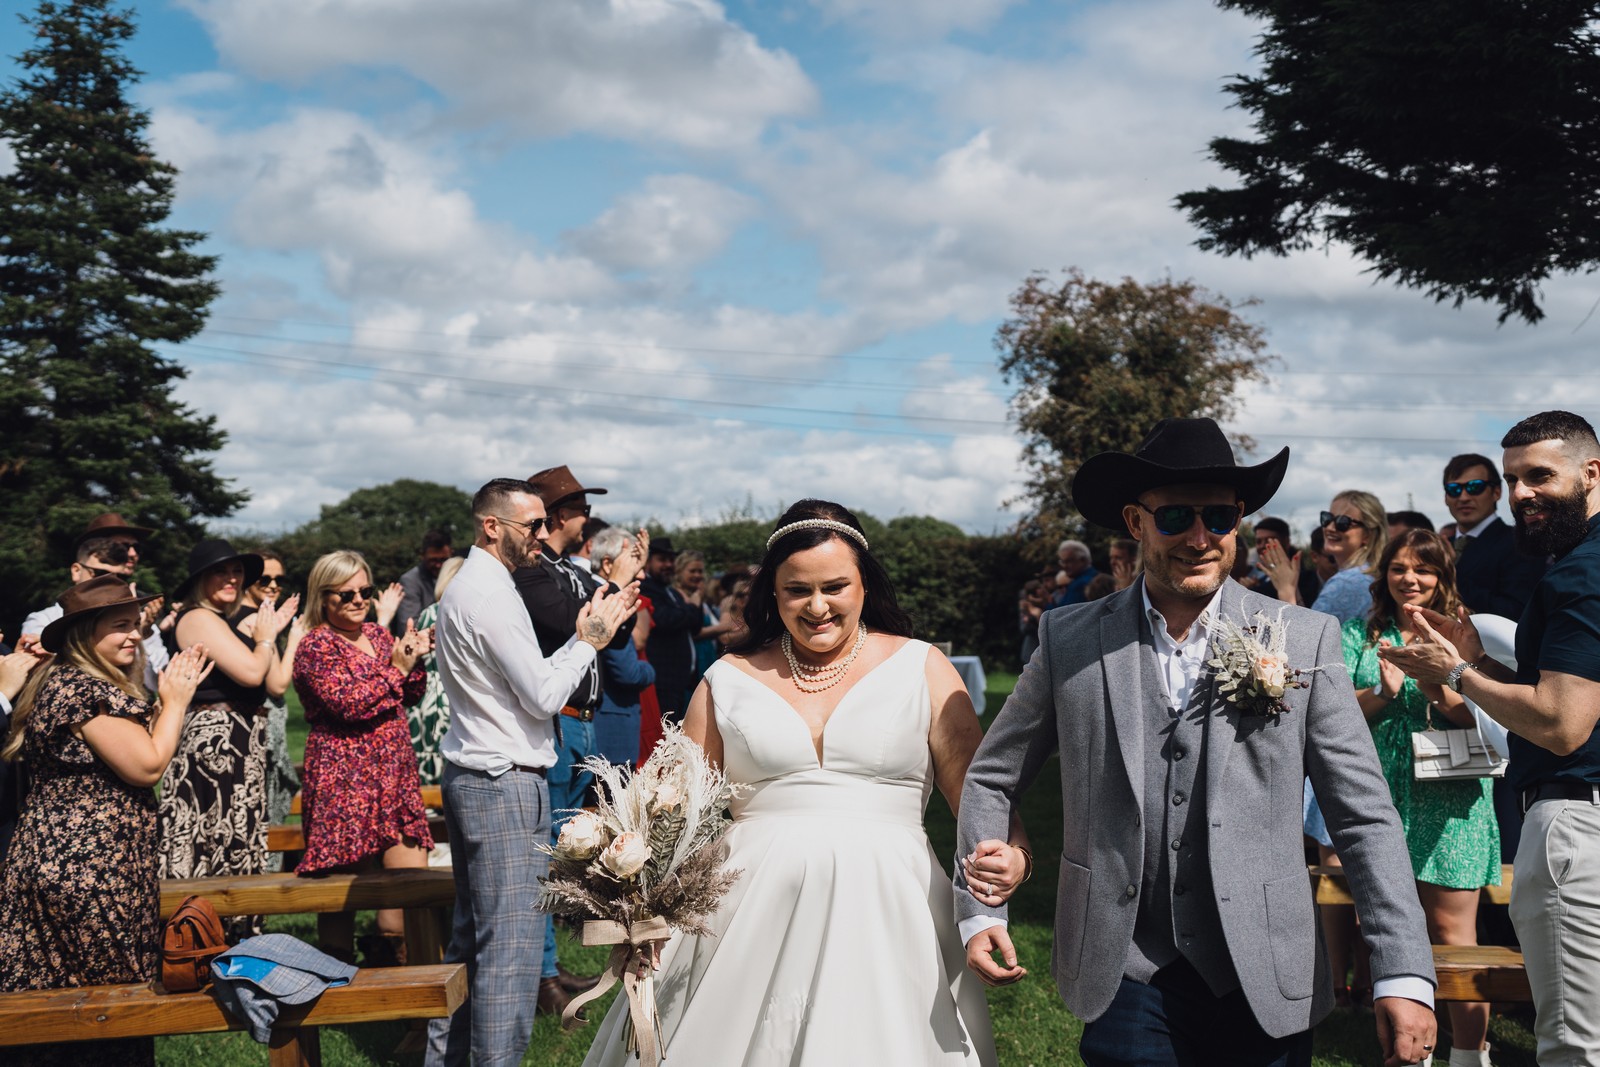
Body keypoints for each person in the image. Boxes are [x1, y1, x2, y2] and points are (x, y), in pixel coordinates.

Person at [957, 418, 1437, 1067]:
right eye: (1177, 515)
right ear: (1135, 520)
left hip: (1267, 964)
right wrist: (981, 910)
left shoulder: (1303, 638)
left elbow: (1362, 814)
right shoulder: (1069, 639)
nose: (1200, 536)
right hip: (1125, 965)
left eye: (1220, 516)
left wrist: (1404, 970)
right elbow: (992, 774)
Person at [583, 499, 1020, 1067]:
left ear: (866, 584)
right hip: (742, 908)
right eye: (797, 591)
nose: (818, 607)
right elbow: (667, 806)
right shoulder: (727, 678)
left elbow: (978, 792)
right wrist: (633, 897)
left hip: (891, 906)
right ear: (773, 594)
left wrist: (1016, 858)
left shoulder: (923, 666)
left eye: (835, 586)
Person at [1382, 411, 1600, 1066]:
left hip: (1575, 826)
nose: (1521, 493)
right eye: (1512, 480)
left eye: (1539, 475)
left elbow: (1561, 724)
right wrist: (1481, 664)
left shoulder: (1580, 575)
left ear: (1593, 473)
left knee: (1573, 1045)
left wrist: (1452, 671)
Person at [425, 478, 635, 1067]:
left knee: (472, 943)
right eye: (532, 525)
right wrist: (590, 640)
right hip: (502, 782)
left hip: (478, 772)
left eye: (546, 523)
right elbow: (543, 695)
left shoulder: (479, 587)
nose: (543, 535)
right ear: (492, 526)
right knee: (510, 954)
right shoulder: (488, 594)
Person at [0, 576, 211, 1067]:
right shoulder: (82, 690)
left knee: (67, 1008)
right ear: (84, 634)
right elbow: (147, 765)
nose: (134, 635)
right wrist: (177, 700)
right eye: (119, 626)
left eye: (135, 625)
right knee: (107, 1009)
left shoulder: (77, 684)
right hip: (88, 873)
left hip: (78, 866)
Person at [1347, 529, 1500, 1066]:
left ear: (1442, 574)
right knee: (1388, 926)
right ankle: (1411, 1052)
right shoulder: (1358, 632)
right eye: (1398, 569)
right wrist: (1383, 692)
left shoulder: (1467, 632)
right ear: (1384, 575)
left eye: (1423, 569)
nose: (1410, 579)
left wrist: (1440, 684)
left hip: (1452, 797)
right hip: (1380, 797)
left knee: (1452, 932)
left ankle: (1469, 1055)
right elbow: (1336, 716)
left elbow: (1489, 720)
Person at [292, 550, 434, 965]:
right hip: (342, 781)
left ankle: (409, 998)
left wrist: (414, 659)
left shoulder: (378, 634)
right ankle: (331, 987)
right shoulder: (315, 646)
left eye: (365, 591)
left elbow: (409, 692)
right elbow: (350, 703)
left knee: (411, 889)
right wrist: (397, 668)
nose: (358, 600)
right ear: (323, 597)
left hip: (394, 777)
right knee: (340, 893)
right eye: (345, 593)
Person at [157, 540, 298, 929]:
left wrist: (266, 634)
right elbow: (253, 672)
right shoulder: (197, 619)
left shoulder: (228, 621)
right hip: (212, 744)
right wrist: (266, 639)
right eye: (221, 571)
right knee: (209, 838)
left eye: (237, 571)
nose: (232, 578)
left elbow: (273, 684)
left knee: (239, 837)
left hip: (244, 743)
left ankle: (238, 936)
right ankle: (197, 938)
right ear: (200, 579)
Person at [232, 549, 304, 847]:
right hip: (262, 734)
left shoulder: (236, 616)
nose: (274, 585)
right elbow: (277, 684)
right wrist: (294, 641)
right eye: (265, 579)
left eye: (279, 579)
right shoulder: (255, 620)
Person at [1443, 452, 1547, 619]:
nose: (1463, 497)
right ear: (1446, 497)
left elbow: (1518, 611)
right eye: (1454, 489)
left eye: (1474, 487)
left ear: (1497, 492)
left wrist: (1451, 573)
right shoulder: (1441, 548)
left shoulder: (1521, 543)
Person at [588, 526, 656, 769]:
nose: (642, 576)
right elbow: (627, 672)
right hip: (610, 738)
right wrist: (649, 670)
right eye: (636, 566)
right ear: (608, 565)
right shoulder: (606, 600)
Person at [411, 555, 465, 788]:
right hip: (452, 696)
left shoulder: (428, 613)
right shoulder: (463, 612)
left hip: (426, 700)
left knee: (428, 768)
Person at [639, 536, 701, 724]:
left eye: (670, 560)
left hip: (682, 683)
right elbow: (665, 619)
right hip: (662, 682)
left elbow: (696, 625)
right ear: (649, 562)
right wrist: (692, 607)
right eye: (662, 560)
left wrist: (688, 611)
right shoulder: (646, 588)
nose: (668, 565)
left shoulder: (672, 592)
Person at [1253, 516, 1323, 607]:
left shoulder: (1309, 580)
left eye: (1269, 540)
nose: (1262, 545)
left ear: (1286, 542)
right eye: (1259, 541)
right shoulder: (1258, 584)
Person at [396, 529, 454, 633]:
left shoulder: (457, 576)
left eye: (443, 560)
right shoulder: (410, 581)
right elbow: (409, 626)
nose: (439, 565)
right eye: (433, 560)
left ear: (451, 553)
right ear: (422, 556)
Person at [1050, 539, 1098, 606]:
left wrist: (1046, 603)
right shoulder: (1096, 577)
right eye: (1062, 562)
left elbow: (1065, 614)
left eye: (1068, 561)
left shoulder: (1079, 585)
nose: (1064, 566)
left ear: (1083, 560)